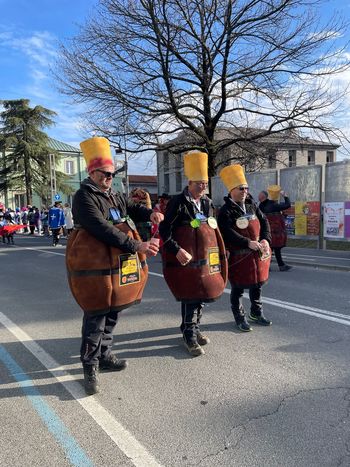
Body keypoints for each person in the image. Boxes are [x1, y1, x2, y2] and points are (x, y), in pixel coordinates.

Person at [66, 136, 163, 395]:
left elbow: (130, 208)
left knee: (115, 309)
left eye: (112, 174)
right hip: (94, 264)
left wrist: (148, 212)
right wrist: (137, 246)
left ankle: (105, 354)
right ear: (92, 172)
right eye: (105, 174)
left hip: (118, 263)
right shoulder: (83, 196)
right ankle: (90, 366)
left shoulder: (113, 193)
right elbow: (101, 228)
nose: (110, 178)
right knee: (96, 313)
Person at [159, 150, 227, 356]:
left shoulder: (207, 203)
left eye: (205, 184)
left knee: (202, 293)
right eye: (199, 183)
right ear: (190, 183)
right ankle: (189, 335)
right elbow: (164, 230)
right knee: (190, 294)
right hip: (184, 257)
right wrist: (176, 250)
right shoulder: (177, 202)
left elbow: (211, 228)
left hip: (204, 258)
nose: (203, 187)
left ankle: (193, 328)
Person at [218, 164, 272, 332]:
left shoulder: (252, 205)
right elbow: (227, 232)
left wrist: (266, 239)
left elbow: (264, 222)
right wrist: (247, 242)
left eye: (246, 188)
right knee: (238, 288)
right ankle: (239, 317)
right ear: (232, 190)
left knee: (257, 285)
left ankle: (256, 313)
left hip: (257, 255)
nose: (245, 191)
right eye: (241, 188)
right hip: (238, 256)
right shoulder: (225, 211)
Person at [258, 186, 292, 271]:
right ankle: (276, 266)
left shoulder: (260, 206)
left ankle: (278, 266)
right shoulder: (272, 205)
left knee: (273, 248)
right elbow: (288, 205)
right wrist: (285, 196)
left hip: (267, 231)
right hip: (275, 232)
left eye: (260, 196)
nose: (259, 197)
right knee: (275, 248)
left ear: (263, 197)